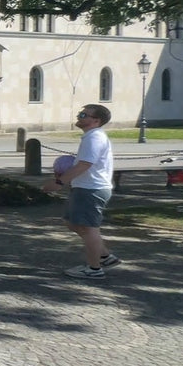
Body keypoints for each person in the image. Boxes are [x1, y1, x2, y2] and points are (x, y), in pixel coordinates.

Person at [42, 104, 119, 279]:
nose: (79, 116)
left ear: (96, 120)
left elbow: (85, 164)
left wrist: (59, 182)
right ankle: (106, 257)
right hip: (85, 188)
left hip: (91, 189)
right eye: (80, 113)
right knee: (72, 223)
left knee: (88, 229)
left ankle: (94, 269)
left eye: (84, 114)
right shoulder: (91, 137)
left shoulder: (94, 138)